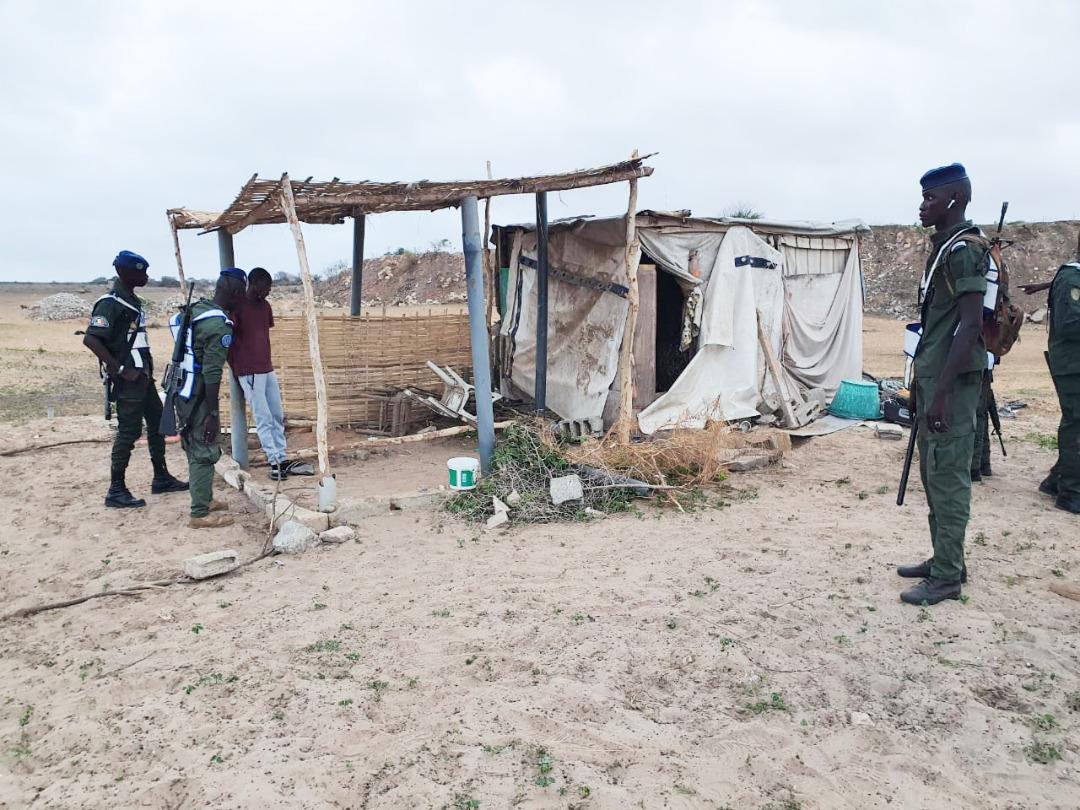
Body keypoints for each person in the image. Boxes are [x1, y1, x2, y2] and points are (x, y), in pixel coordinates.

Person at [897, 163, 988, 605]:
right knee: (934, 475)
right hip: (934, 377)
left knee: (949, 477)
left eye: (930, 198)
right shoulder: (945, 249)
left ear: (953, 200)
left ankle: (948, 576)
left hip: (951, 384)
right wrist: (921, 387)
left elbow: (970, 325)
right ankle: (945, 559)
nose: (921, 205)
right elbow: (936, 327)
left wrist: (944, 393)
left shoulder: (965, 251)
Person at [83, 251, 187, 508]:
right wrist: (120, 370)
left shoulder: (131, 301)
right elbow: (91, 339)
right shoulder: (110, 303)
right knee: (128, 432)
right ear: (126, 273)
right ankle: (116, 489)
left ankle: (161, 477)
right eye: (140, 272)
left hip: (143, 378)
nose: (146, 276)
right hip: (128, 380)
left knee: (158, 425)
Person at [172, 269, 247, 528]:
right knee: (204, 448)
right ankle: (200, 513)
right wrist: (213, 415)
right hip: (199, 395)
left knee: (193, 445)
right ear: (236, 292)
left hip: (182, 390)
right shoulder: (219, 326)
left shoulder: (197, 310)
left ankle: (204, 498)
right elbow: (212, 373)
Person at [228, 267, 311, 481]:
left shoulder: (264, 307)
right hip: (250, 370)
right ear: (254, 283)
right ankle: (274, 461)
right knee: (263, 417)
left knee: (276, 414)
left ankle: (281, 458)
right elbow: (228, 339)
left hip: (266, 367)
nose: (268, 291)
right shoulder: (238, 307)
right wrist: (237, 365)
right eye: (266, 287)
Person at [1022, 242, 1080, 514]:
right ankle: (1072, 491)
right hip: (1072, 365)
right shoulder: (1072, 277)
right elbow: (1071, 324)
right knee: (1077, 423)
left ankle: (1058, 479)